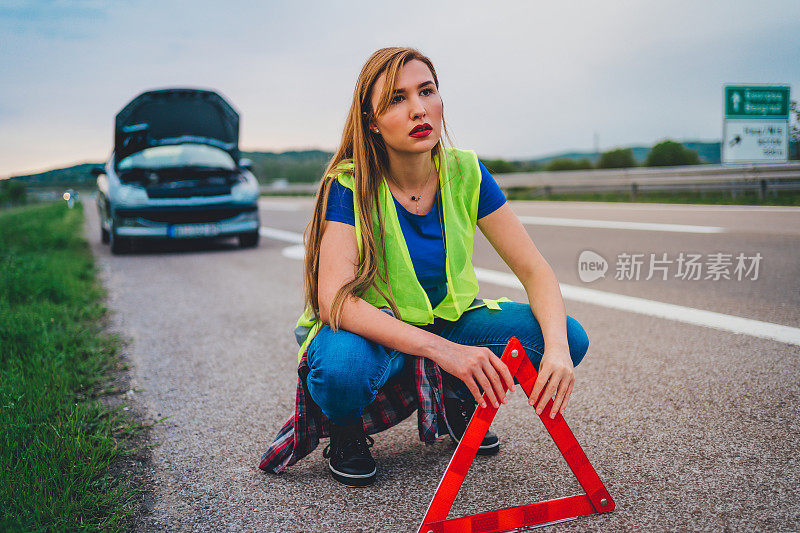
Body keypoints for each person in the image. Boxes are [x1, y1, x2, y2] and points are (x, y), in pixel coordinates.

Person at [259, 47, 589, 487]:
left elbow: (535, 270)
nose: (418, 109)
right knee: (342, 370)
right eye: (396, 99)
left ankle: (456, 394)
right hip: (375, 334)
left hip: (448, 321)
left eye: (426, 91)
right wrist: (445, 354)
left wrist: (558, 353)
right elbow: (335, 300)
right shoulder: (348, 183)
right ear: (372, 121)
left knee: (566, 335)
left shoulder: (467, 172)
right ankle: (345, 429)